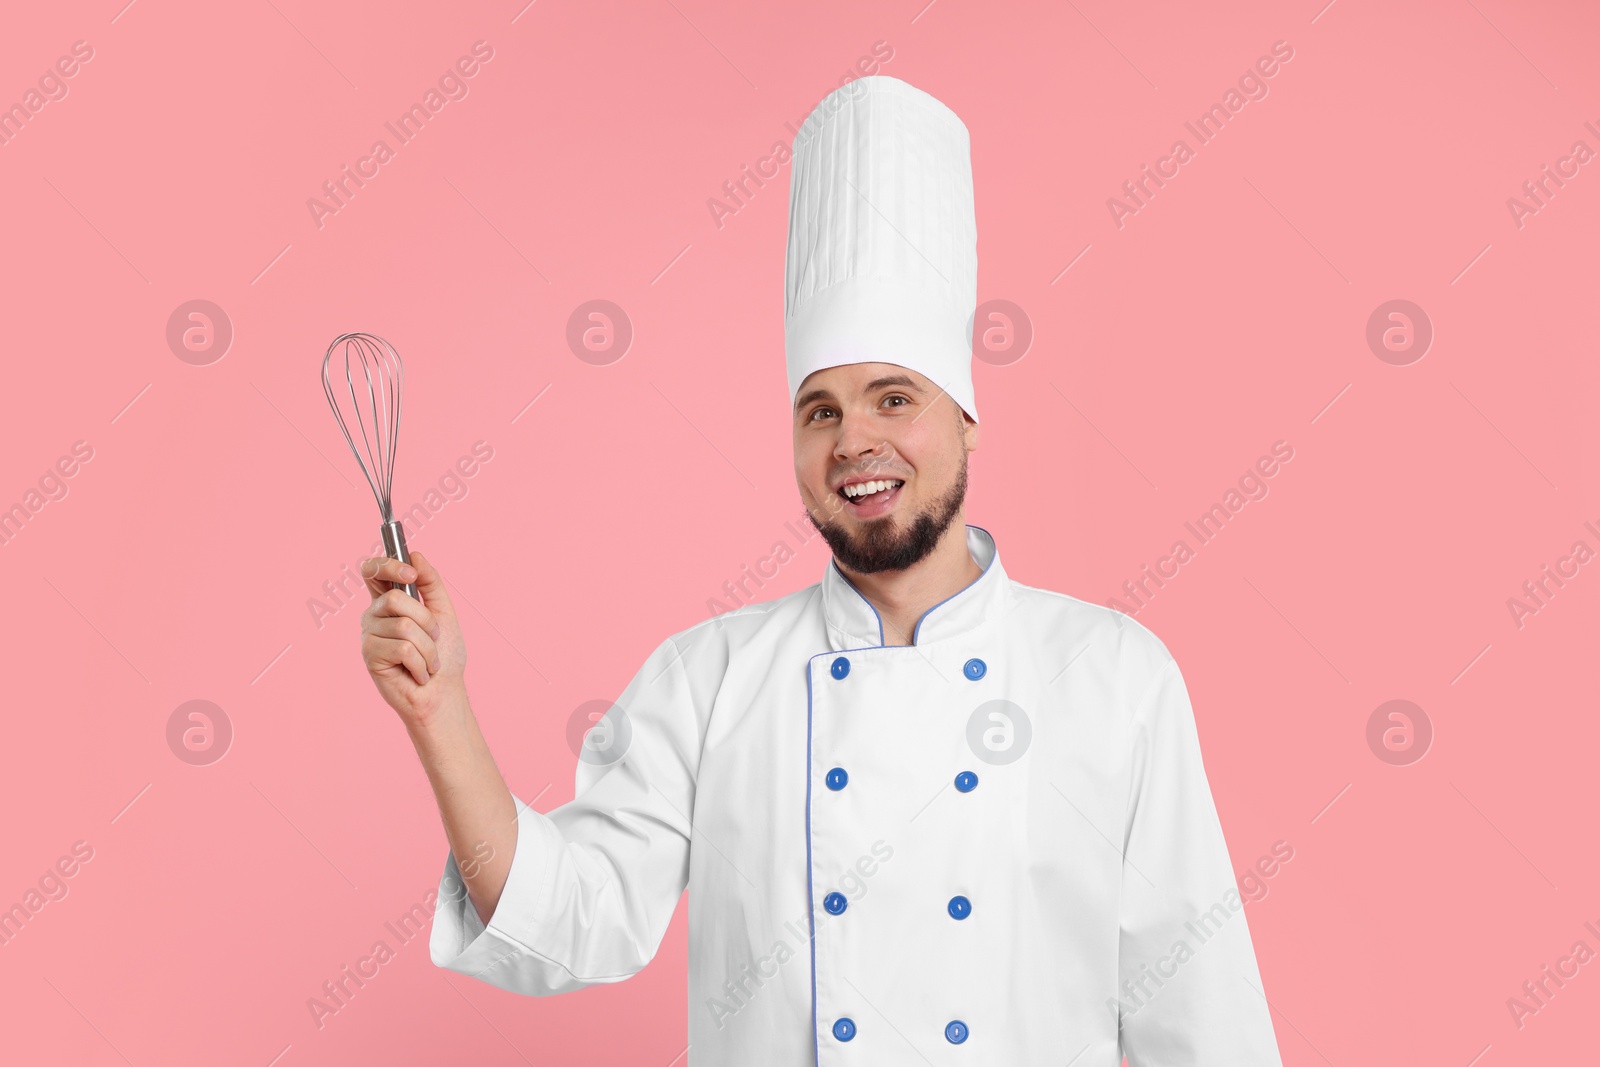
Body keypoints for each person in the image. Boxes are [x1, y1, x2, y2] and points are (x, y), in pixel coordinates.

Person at [357, 75, 1283, 1065]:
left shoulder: (1113, 675)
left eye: (893, 398)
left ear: (965, 418)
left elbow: (1198, 1008)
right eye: (821, 409)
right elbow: (568, 922)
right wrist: (440, 709)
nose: (855, 441)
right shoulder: (708, 677)